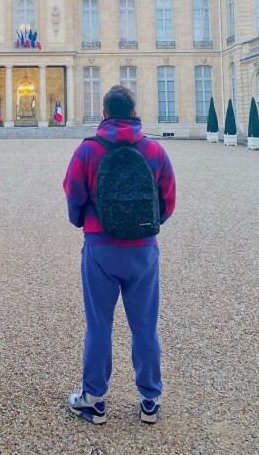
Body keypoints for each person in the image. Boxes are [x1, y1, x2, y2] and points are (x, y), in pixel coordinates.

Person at [63, 85, 176, 425]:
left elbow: (73, 194)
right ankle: (150, 401)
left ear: (103, 112)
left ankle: (94, 400)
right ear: (135, 110)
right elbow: (168, 198)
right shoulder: (154, 149)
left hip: (100, 247)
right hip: (143, 250)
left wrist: (86, 222)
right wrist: (146, 225)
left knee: (99, 325)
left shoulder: (88, 151)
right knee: (145, 327)